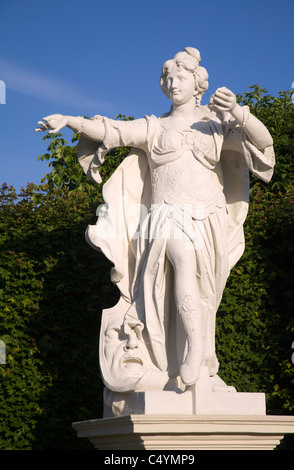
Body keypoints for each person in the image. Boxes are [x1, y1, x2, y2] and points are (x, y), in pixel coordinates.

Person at [36, 47, 275, 390]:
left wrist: (238, 111)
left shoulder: (217, 124)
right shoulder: (153, 127)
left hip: (209, 217)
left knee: (206, 293)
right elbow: (111, 131)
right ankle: (193, 350)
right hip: (166, 214)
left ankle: (201, 356)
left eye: (180, 78)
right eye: (167, 78)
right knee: (181, 257)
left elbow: (263, 143)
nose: (172, 83)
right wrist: (70, 121)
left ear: (197, 84)